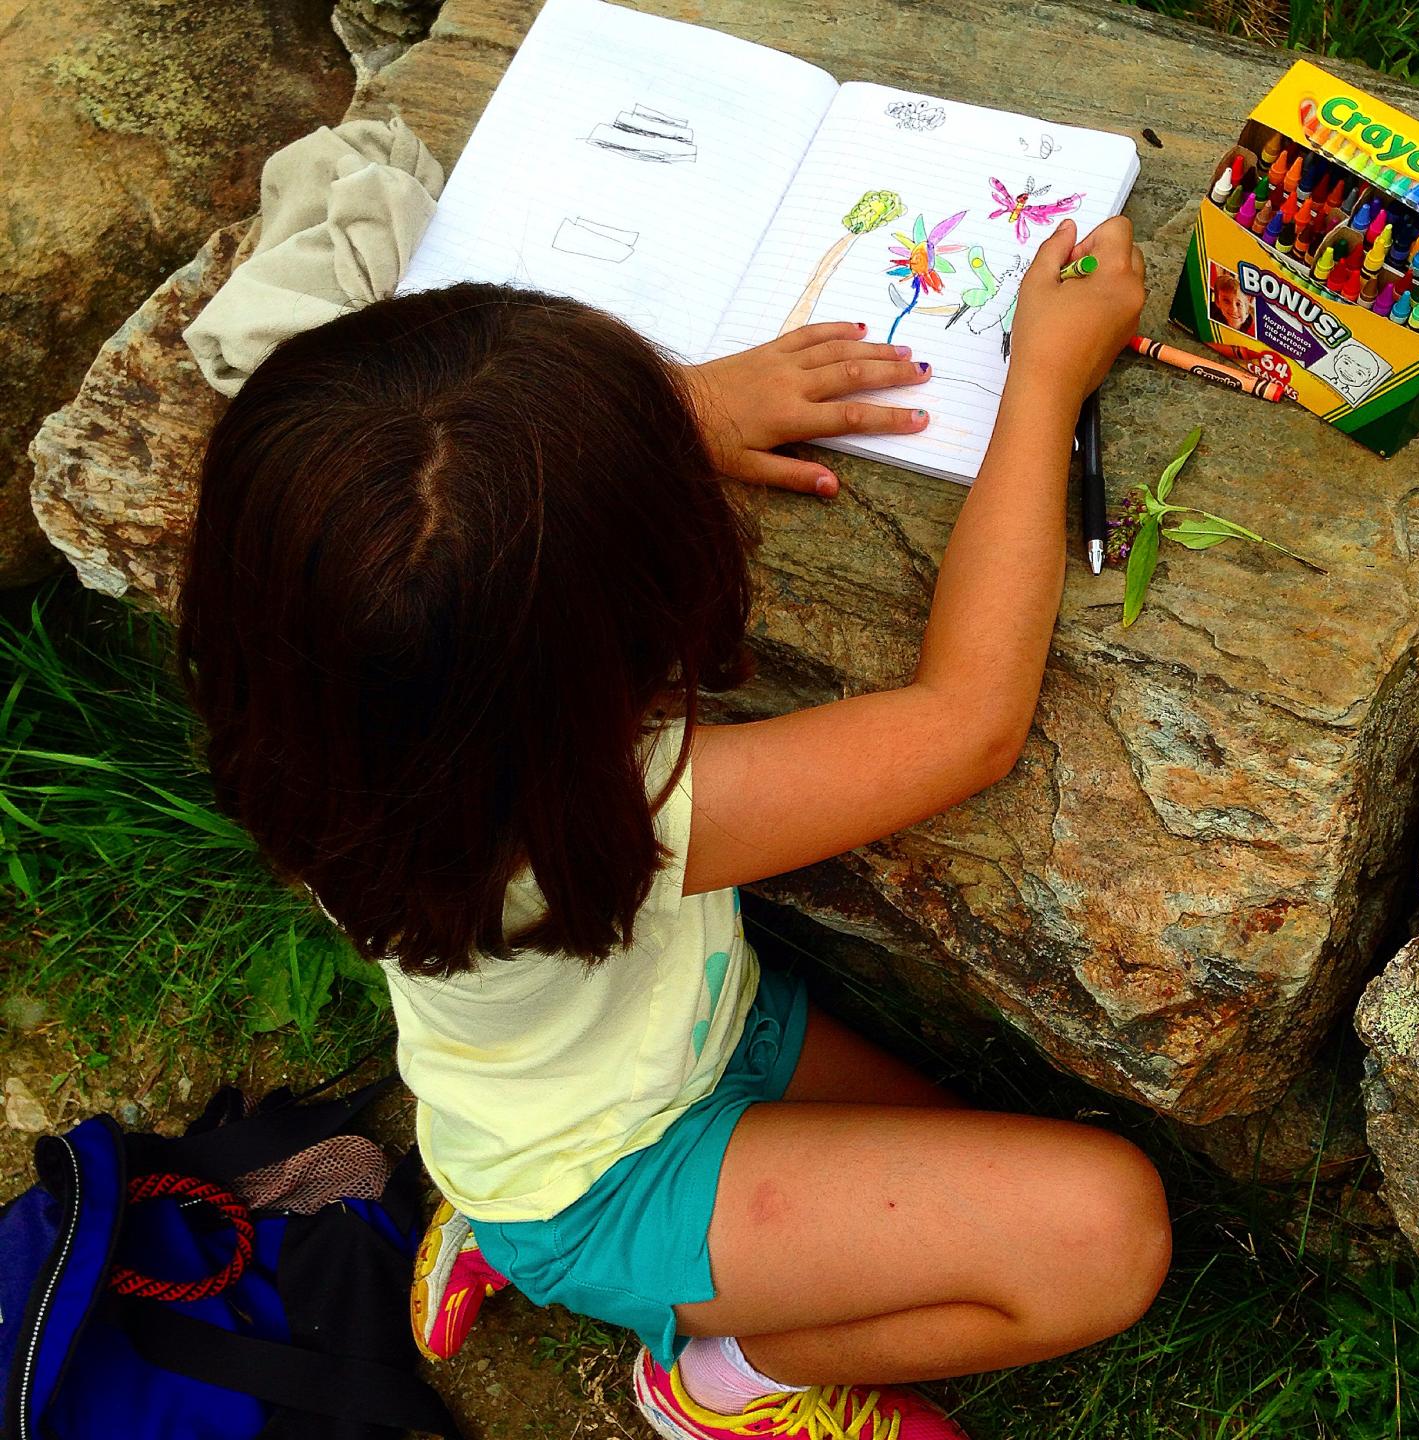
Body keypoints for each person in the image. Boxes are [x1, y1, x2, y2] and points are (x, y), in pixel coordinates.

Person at [177, 215, 1167, 1440]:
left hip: (665, 1042)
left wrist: (679, 415)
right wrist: (1044, 380)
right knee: (1101, 1233)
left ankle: (505, 1221)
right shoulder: (603, 809)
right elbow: (968, 720)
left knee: (969, 1158)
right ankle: (714, 1382)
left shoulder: (335, 715)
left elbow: (442, 529)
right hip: (605, 1175)